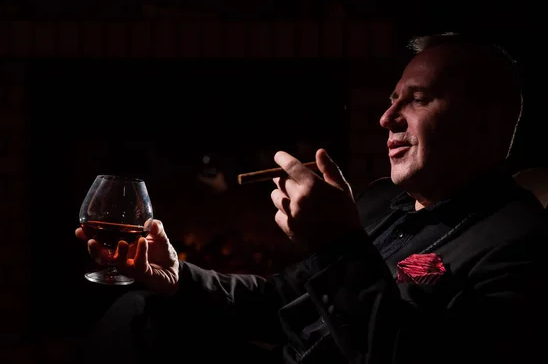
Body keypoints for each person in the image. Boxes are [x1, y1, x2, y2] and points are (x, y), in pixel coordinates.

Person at [74, 32, 548, 364]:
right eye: (391, 99)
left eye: (418, 99)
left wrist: (340, 243)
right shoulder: (384, 204)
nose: (387, 118)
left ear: (483, 122)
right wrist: (178, 274)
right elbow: (276, 300)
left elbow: (407, 353)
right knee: (141, 314)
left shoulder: (519, 243)